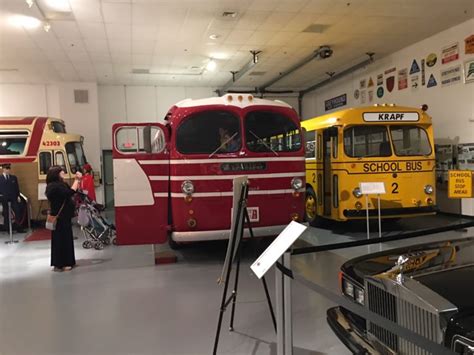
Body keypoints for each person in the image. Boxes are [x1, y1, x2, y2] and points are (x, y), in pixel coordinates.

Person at [45, 166, 82, 272]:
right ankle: (63, 262)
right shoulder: (54, 187)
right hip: (59, 216)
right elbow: (69, 192)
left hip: (64, 216)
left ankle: (64, 261)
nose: (64, 173)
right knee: (62, 239)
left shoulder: (59, 185)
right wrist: (77, 180)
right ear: (56, 174)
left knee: (64, 238)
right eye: (61, 172)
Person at [0, 164, 24, 232]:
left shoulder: (13, 178)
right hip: (4, 198)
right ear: (3, 169)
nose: (8, 170)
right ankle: (8, 229)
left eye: (8, 169)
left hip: (13, 197)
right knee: (6, 213)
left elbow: (17, 188)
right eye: (6, 169)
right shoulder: (0, 178)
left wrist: (18, 196)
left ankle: (18, 227)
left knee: (17, 211)